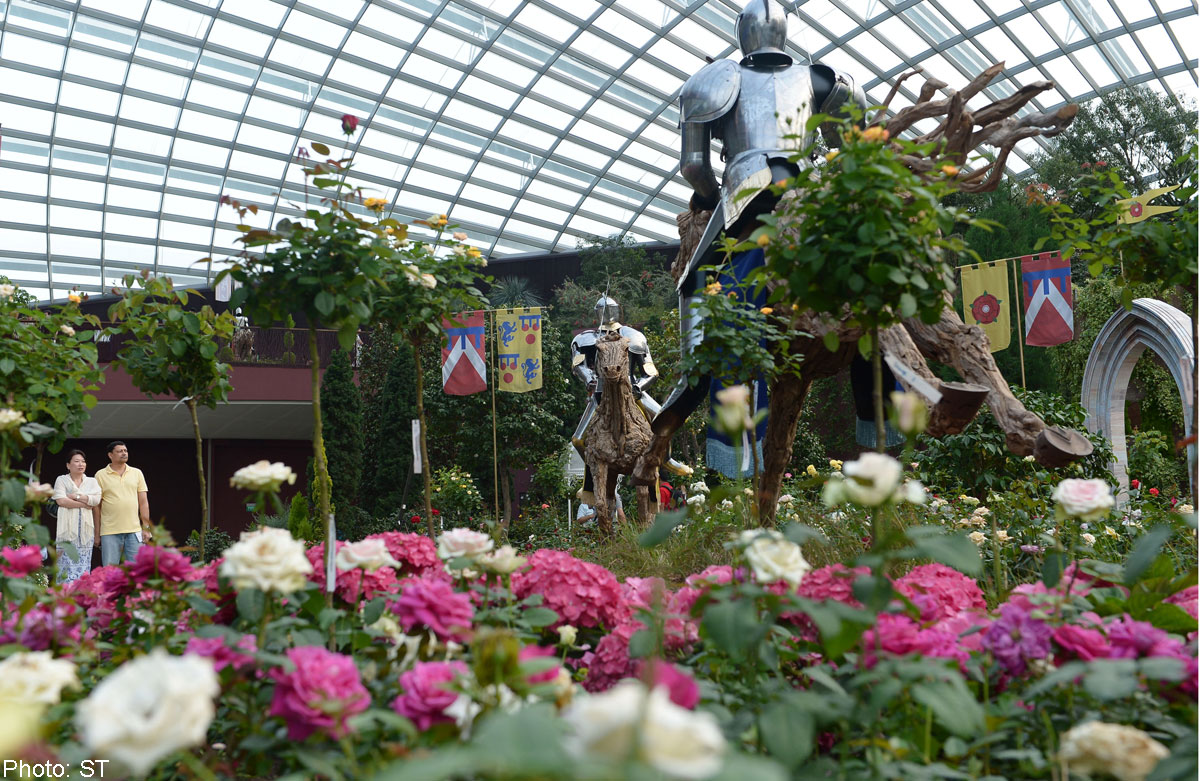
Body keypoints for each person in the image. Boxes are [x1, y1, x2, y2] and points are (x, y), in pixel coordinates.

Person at [641, 0, 865, 478]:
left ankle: (694, 382)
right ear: (783, 33)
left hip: (746, 194)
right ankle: (880, 410)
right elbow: (854, 158)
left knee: (695, 285)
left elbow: (694, 167)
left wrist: (708, 198)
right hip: (811, 195)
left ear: (742, 33)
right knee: (870, 281)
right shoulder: (827, 79)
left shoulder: (714, 80)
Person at [51, 449, 101, 582]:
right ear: (68, 465)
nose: (81, 464)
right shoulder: (61, 480)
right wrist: (85, 503)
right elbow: (61, 501)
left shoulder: (92, 482)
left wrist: (75, 496)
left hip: (85, 534)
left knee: (83, 569)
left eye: (83, 461)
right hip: (66, 533)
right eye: (77, 461)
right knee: (64, 569)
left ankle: (81, 594)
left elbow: (96, 500)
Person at [96, 440, 149, 566]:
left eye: (125, 451)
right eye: (120, 451)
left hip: (134, 530)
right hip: (109, 531)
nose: (124, 453)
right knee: (109, 570)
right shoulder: (100, 475)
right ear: (110, 455)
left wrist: (146, 528)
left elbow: (143, 502)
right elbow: (97, 506)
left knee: (137, 570)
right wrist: (97, 533)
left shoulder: (137, 473)